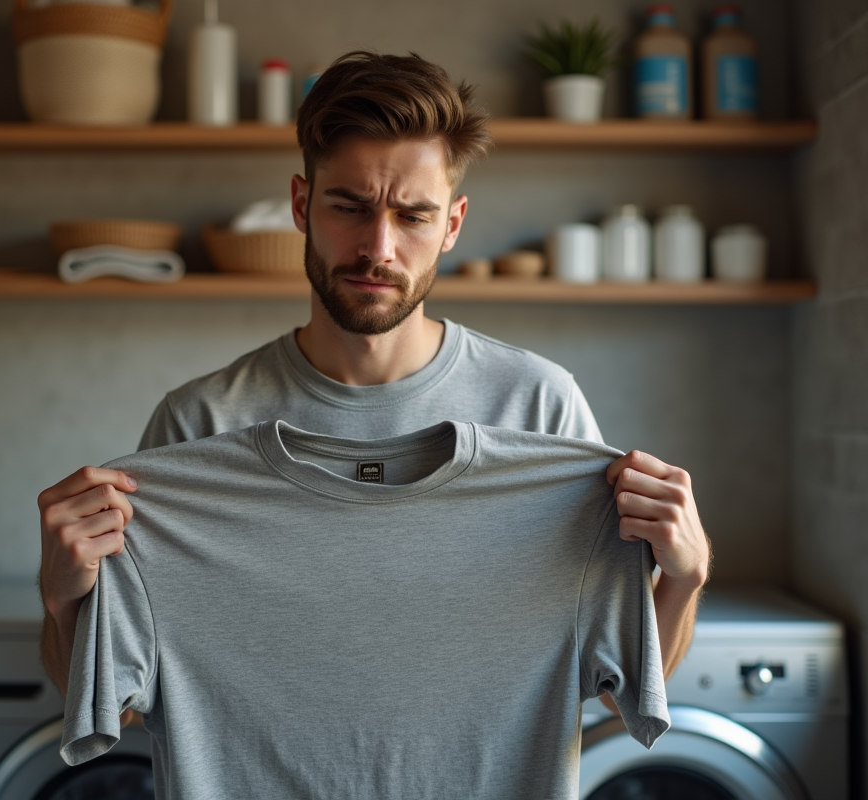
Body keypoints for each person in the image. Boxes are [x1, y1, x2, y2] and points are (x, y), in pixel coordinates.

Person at [37, 51, 711, 719]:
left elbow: (613, 695)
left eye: (413, 216)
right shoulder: (200, 421)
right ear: (301, 205)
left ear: (451, 225)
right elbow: (119, 708)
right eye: (350, 207)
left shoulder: (539, 404)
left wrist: (684, 578)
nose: (378, 247)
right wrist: (64, 597)